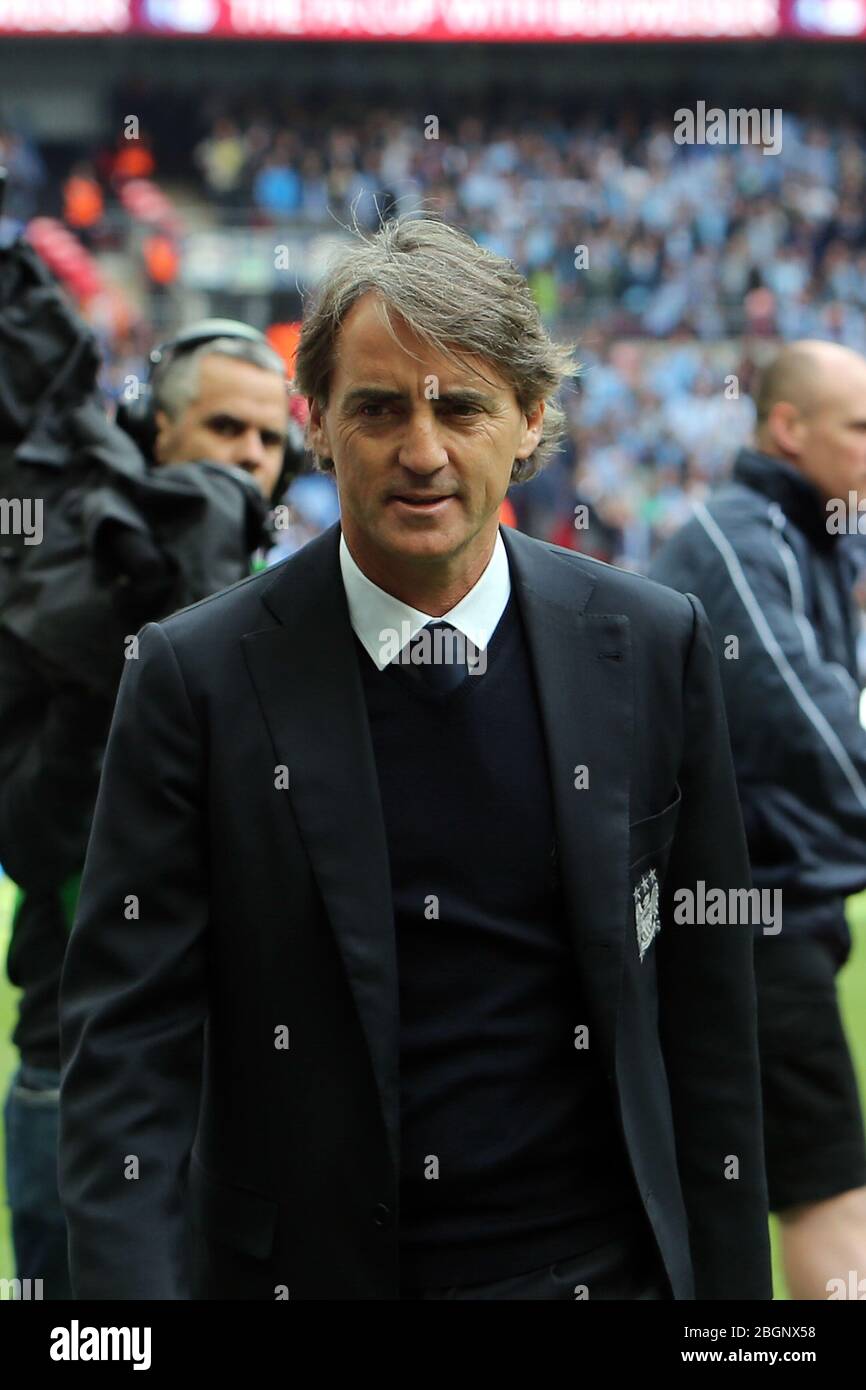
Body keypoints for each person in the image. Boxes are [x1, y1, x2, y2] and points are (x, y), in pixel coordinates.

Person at [59, 216, 771, 1301]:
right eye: (380, 408)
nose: (423, 450)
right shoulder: (192, 676)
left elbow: (708, 1024)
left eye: (462, 406)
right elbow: (129, 1045)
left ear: (530, 420)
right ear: (317, 424)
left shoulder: (649, 642)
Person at [0, 314, 289, 1299]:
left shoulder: (284, 603)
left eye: (268, 440)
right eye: (223, 429)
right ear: (154, 433)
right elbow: (29, 845)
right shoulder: (59, 587)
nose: (249, 457)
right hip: (82, 1069)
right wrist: (100, 672)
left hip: (253, 1082)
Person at [650, 340, 866, 1300]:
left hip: (756, 914)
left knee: (722, 1194)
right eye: (859, 429)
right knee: (828, 1194)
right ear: (789, 428)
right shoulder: (745, 535)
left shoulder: (806, 539)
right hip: (745, 917)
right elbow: (801, 716)